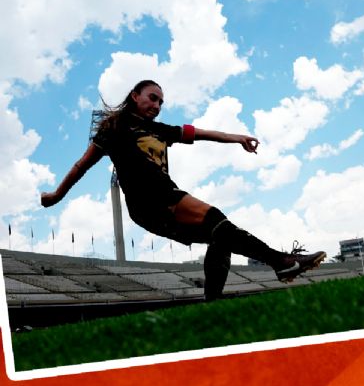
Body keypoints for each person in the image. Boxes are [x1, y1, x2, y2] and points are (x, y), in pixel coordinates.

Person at [40, 80, 325, 300]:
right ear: (134, 96)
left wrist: (237, 138)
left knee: (221, 237)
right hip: (150, 200)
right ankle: (282, 262)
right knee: (216, 218)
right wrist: (56, 195)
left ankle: (214, 303)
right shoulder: (114, 129)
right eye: (152, 98)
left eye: (161, 102)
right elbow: (81, 165)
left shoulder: (161, 130)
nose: (157, 105)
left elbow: (200, 134)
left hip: (161, 204)